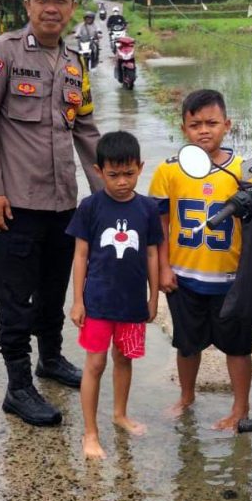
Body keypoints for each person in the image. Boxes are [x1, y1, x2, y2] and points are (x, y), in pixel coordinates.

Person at [0, 0, 104, 427]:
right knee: (15, 299)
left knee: (52, 290)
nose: (52, 7)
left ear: (71, 7)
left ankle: (50, 359)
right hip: (17, 205)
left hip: (63, 204)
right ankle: (18, 386)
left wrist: (106, 195)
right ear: (27, 4)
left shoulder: (74, 64)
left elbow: (86, 130)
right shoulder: (1, 53)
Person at [148, 89, 252, 431]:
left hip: (230, 280)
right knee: (187, 343)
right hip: (184, 277)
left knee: (237, 346)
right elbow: (160, 225)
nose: (204, 131)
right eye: (195, 124)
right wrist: (163, 268)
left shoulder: (244, 171)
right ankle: (186, 396)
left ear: (227, 125)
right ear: (183, 129)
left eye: (212, 123)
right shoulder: (169, 171)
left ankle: (240, 407)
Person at [66, 131, 162, 459]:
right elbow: (80, 255)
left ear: (141, 167)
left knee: (124, 359)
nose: (122, 182)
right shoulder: (90, 208)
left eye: (129, 174)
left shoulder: (147, 209)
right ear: (98, 171)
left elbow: (152, 255)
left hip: (132, 303)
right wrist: (77, 300)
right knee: (95, 364)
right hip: (98, 302)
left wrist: (153, 298)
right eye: (114, 175)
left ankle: (120, 414)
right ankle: (90, 433)